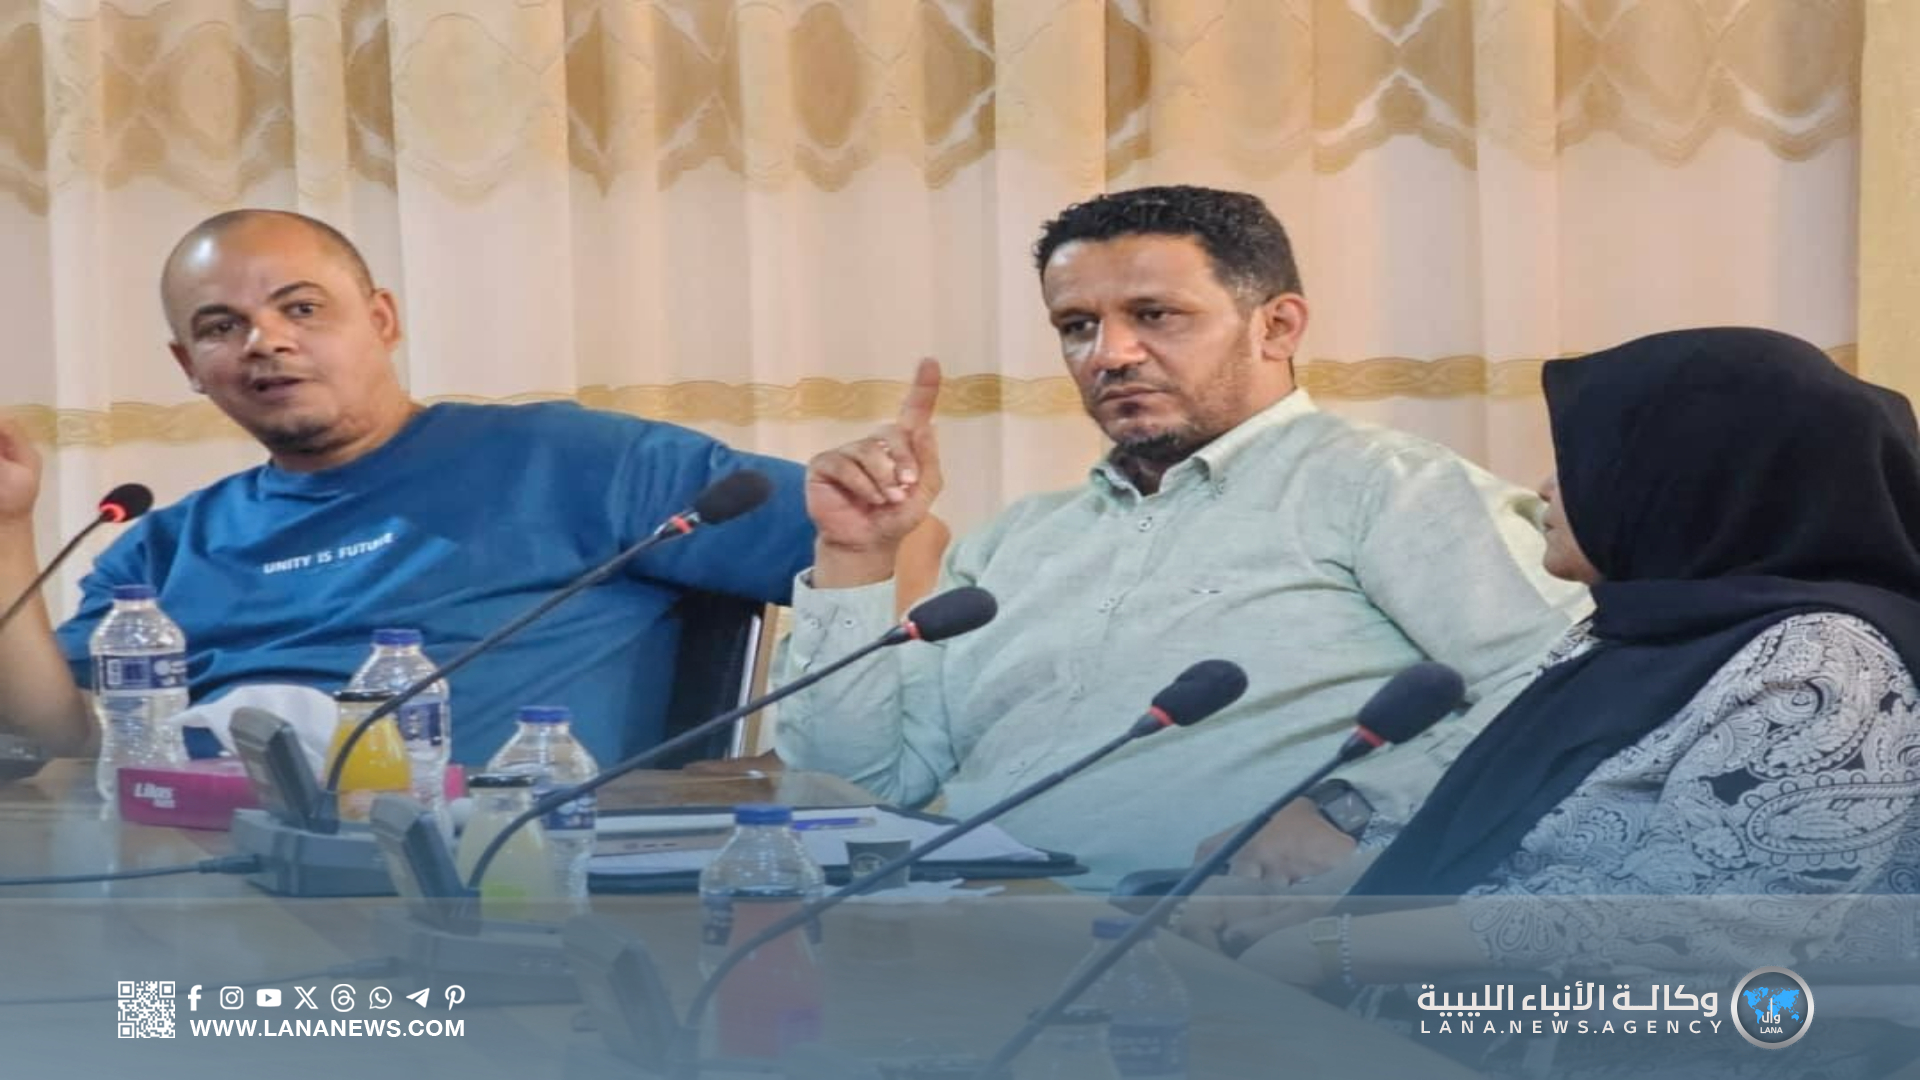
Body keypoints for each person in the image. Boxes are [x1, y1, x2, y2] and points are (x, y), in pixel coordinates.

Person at [773, 186, 1587, 886]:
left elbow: (1568, 691)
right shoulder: (1015, 542)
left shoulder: (1390, 489)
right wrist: (856, 556)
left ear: (1277, 327)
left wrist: (1354, 807)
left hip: (1211, 947)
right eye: (1077, 325)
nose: (1109, 354)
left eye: (1154, 315)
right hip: (963, 921)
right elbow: (861, 784)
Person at [1208, 327, 1920, 987]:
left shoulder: (1826, 663)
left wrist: (1335, 948)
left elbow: (1701, 926)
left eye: (1585, 461)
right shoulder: (1633, 633)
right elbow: (1490, 836)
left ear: (1688, 481)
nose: (1545, 487)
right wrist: (1313, 908)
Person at [0, 208, 820, 767]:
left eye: (301, 308)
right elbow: (60, 743)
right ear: (188, 365)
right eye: (222, 326)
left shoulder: (579, 461)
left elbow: (866, 541)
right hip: (203, 886)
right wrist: (6, 529)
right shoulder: (162, 550)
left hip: (490, 896)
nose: (265, 342)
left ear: (382, 320)